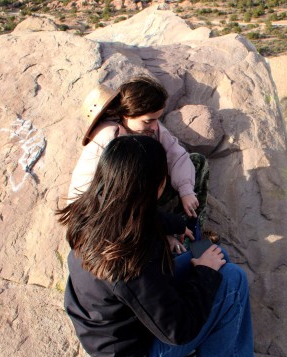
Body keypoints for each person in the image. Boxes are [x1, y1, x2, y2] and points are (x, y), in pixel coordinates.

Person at [58, 135, 253, 357]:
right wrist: (203, 273)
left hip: (115, 325)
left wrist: (174, 225)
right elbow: (178, 330)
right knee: (231, 279)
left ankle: (204, 342)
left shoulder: (95, 211)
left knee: (217, 255)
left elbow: (144, 216)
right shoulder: (129, 262)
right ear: (156, 187)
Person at [68, 75, 208, 245]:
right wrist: (161, 232)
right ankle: (175, 243)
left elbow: (176, 154)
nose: (155, 126)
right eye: (149, 121)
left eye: (158, 119)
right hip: (110, 218)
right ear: (127, 114)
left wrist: (186, 190)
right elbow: (118, 205)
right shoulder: (110, 140)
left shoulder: (147, 129)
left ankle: (189, 228)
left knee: (196, 162)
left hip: (139, 204)